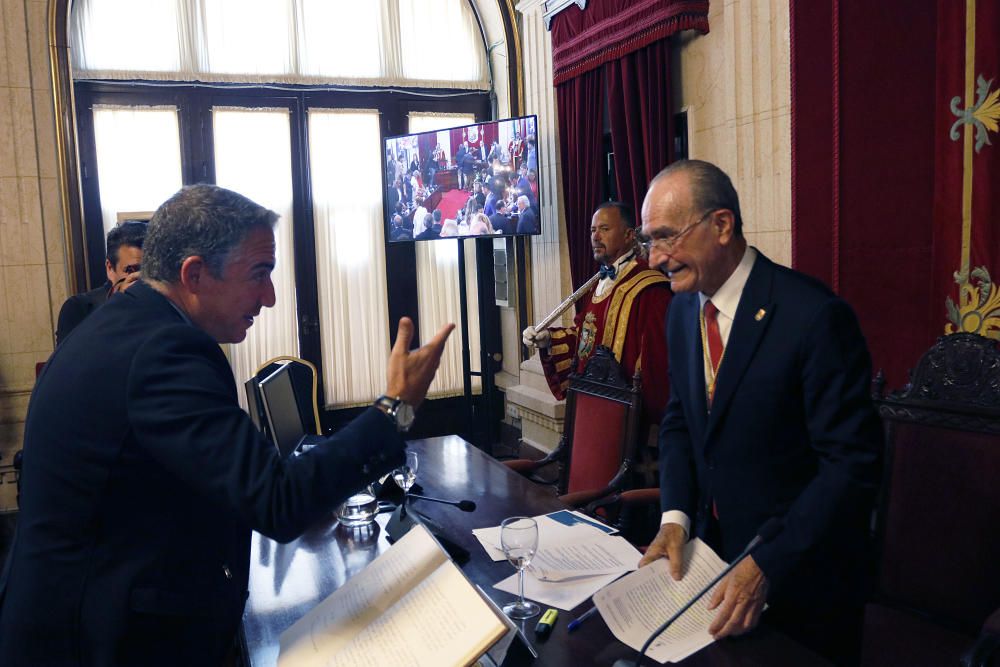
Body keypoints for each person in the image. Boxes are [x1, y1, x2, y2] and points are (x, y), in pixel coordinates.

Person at [0, 184, 454, 666]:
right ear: (194, 274)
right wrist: (395, 407)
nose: (270, 297)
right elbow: (278, 501)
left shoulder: (129, 325)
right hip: (96, 640)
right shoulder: (162, 352)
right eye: (259, 273)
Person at [637, 160, 882, 665]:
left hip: (801, 583)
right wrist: (675, 517)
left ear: (722, 225)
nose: (655, 258)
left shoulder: (813, 316)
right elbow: (681, 421)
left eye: (666, 237)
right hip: (712, 568)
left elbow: (851, 466)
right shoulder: (682, 310)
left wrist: (767, 562)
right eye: (649, 241)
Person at [522, 202, 671, 427]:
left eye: (604, 229)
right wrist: (549, 340)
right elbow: (586, 339)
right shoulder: (599, 283)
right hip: (590, 408)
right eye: (593, 230)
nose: (596, 236)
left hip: (627, 420)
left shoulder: (650, 289)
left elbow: (656, 362)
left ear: (629, 235)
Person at [55, 220, 147, 345]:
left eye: (149, 270)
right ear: (110, 268)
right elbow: (71, 357)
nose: (141, 278)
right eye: (131, 270)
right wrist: (119, 308)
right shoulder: (80, 309)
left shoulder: (163, 308)